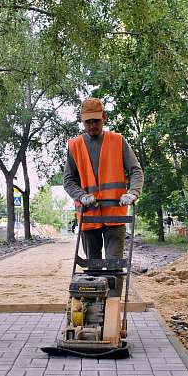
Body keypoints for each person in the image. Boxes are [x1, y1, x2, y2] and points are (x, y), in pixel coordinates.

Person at [63, 98, 144, 289]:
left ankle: (112, 310)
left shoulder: (118, 141)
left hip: (115, 215)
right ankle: (94, 308)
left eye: (96, 121)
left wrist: (133, 193)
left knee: (114, 266)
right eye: (88, 122)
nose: (92, 125)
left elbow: (135, 170)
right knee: (92, 266)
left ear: (104, 118)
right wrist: (82, 196)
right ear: (82, 121)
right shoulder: (74, 146)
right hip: (88, 216)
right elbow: (68, 180)